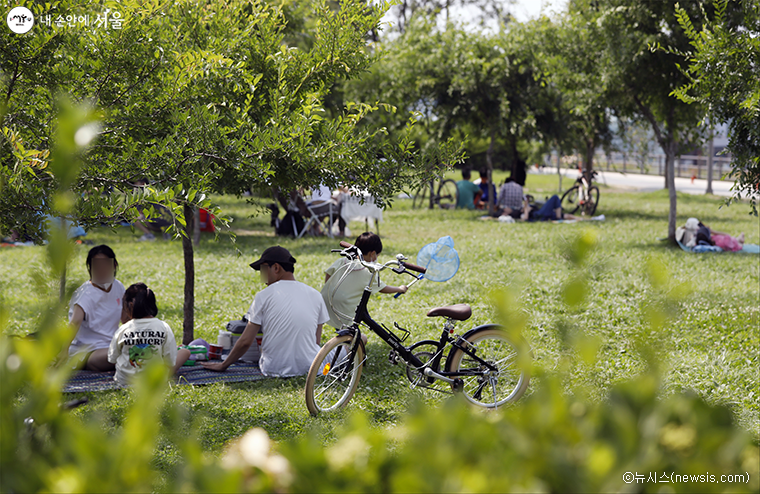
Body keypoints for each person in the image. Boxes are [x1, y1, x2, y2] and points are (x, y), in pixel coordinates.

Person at [201, 246, 330, 377]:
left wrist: (223, 365)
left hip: (273, 368)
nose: (263, 278)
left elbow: (246, 341)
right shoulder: (315, 295)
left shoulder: (263, 296)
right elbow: (316, 341)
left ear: (276, 268)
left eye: (263, 270)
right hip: (310, 367)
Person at [321, 232, 408, 330]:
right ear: (372, 253)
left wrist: (330, 288)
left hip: (325, 299)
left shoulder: (343, 261)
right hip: (344, 306)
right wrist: (400, 289)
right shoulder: (368, 271)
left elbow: (329, 273)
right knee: (352, 333)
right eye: (377, 255)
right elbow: (382, 288)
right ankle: (343, 344)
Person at [108, 283, 191, 385]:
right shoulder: (163, 327)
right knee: (185, 351)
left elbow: (112, 358)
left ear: (130, 306)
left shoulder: (123, 329)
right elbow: (170, 361)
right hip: (154, 381)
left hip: (124, 381)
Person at [67, 245, 126, 371]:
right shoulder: (85, 294)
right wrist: (62, 352)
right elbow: (74, 324)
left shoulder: (118, 286)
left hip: (112, 345)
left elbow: (126, 318)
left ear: (114, 265)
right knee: (130, 352)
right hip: (89, 352)